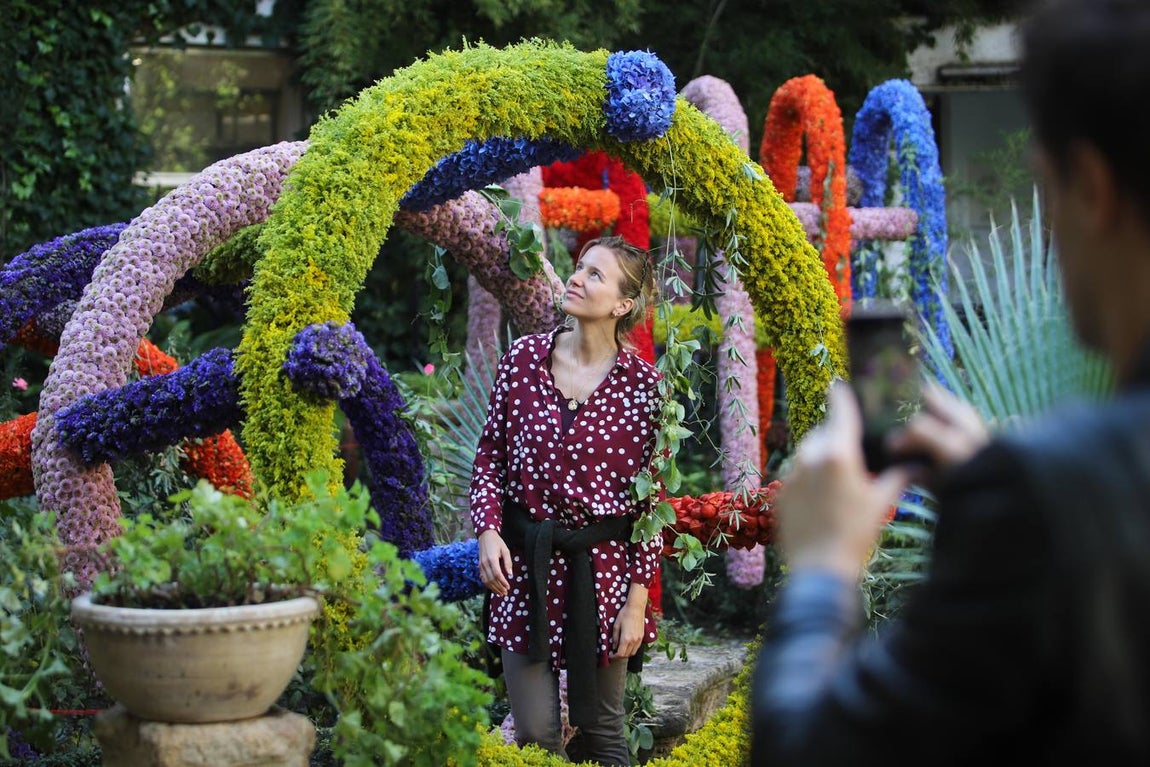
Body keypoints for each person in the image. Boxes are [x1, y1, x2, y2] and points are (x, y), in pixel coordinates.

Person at [752, 0, 1150, 764]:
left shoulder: (1046, 496)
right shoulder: (1050, 487)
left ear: (1092, 187)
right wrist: (993, 481)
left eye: (1048, 186)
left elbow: (810, 749)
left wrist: (824, 568)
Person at [470, 235, 662, 765]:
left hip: (600, 576)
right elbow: (491, 455)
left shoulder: (645, 387)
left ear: (623, 305)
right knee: (534, 734)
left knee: (602, 733)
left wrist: (637, 600)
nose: (576, 278)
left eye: (595, 274)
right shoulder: (523, 359)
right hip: (524, 568)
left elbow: (651, 503)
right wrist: (488, 529)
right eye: (579, 268)